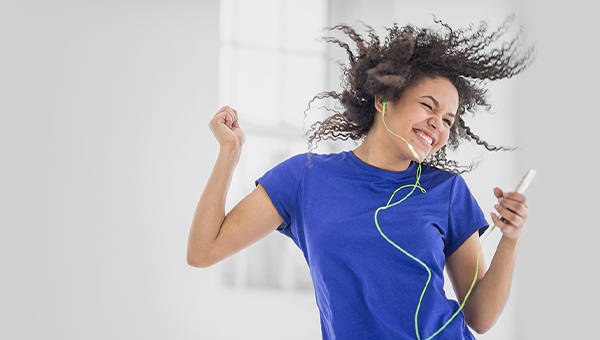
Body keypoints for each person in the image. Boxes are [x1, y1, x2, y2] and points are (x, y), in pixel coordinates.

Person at [187, 18, 535, 340]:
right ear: (384, 99)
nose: (438, 125)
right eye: (429, 106)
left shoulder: (446, 191)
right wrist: (229, 154)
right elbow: (203, 251)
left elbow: (481, 317)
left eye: (448, 120)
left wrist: (511, 237)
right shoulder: (304, 178)